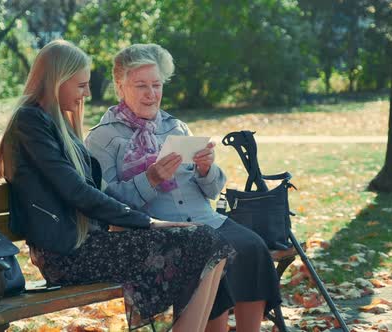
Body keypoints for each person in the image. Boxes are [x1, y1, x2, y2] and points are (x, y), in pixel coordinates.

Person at [0, 40, 234, 332]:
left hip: (88, 243)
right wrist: (148, 223)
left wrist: (150, 223)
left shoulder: (52, 122)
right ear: (58, 81)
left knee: (210, 241)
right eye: (81, 85)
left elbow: (95, 190)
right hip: (67, 254)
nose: (87, 93)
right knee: (203, 241)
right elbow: (76, 192)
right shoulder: (30, 123)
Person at [85, 43, 282, 332]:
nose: (151, 94)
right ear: (120, 86)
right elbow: (106, 204)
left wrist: (207, 169)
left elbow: (212, 190)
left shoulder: (177, 127)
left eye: (156, 85)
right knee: (211, 255)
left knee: (251, 247)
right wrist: (149, 179)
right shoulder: (103, 137)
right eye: (141, 85)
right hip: (161, 228)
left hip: (205, 219)